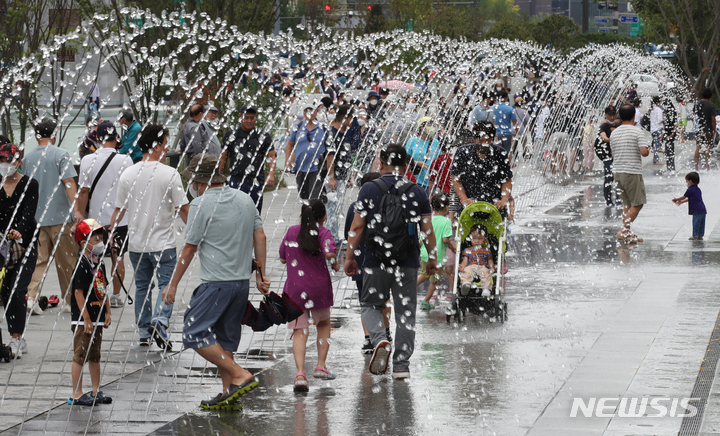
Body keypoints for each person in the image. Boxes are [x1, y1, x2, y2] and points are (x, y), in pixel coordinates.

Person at [162, 154, 269, 410]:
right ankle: (228, 394)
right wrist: (261, 274)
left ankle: (240, 375)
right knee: (224, 338)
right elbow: (261, 236)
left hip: (216, 283)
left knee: (193, 330)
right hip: (240, 284)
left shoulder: (200, 204)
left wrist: (173, 283)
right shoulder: (245, 198)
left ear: (199, 181)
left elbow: (189, 249)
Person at [345, 144, 438, 379]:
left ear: (381, 162)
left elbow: (357, 226)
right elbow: (426, 230)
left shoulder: (368, 189)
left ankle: (380, 340)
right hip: (407, 260)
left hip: (375, 260)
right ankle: (401, 365)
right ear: (406, 166)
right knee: (405, 312)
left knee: (370, 305)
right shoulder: (417, 192)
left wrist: (349, 256)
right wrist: (432, 259)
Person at [111, 124, 189, 349]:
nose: (166, 149)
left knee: (143, 286)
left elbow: (119, 210)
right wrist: (195, 230)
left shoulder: (128, 174)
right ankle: (160, 320)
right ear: (155, 146)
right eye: (164, 144)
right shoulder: (169, 174)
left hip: (137, 245)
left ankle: (144, 331)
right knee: (166, 283)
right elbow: (183, 209)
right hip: (164, 244)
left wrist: (110, 233)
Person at [280, 200, 340, 392]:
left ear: (302, 215)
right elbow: (330, 252)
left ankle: (300, 374)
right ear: (324, 217)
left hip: (295, 290)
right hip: (318, 289)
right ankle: (320, 366)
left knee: (300, 330)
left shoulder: (291, 231)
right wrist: (335, 262)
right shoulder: (323, 232)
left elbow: (282, 258)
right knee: (323, 325)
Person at [75, 121, 134, 308]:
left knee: (94, 258)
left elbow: (84, 191)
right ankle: (116, 296)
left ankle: (97, 294)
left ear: (98, 139)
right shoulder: (126, 160)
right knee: (118, 257)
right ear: (116, 138)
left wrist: (80, 214)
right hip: (119, 220)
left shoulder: (87, 160)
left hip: (95, 220)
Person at [22, 118, 78, 315]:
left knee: (37, 261)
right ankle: (71, 301)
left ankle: (30, 297)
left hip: (37, 218)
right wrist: (77, 210)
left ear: (37, 135)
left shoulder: (27, 158)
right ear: (54, 134)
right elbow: (69, 182)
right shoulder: (61, 154)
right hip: (62, 218)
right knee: (67, 262)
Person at [343, 172, 392, 354]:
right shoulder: (388, 203)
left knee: (366, 301)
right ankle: (386, 333)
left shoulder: (354, 208)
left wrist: (349, 257)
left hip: (361, 260)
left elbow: (351, 231)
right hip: (383, 260)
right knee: (384, 299)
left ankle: (369, 339)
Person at [0, 143, 38, 358]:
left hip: (25, 246)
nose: (6, 165)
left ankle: (16, 338)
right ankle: (15, 336)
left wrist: (19, 231)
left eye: (10, 161)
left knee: (17, 290)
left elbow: (28, 211)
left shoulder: (30, 184)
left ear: (19, 162)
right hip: (1, 248)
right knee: (5, 292)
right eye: (2, 161)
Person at [68, 219, 112, 406]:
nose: (100, 241)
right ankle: (77, 393)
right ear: (83, 243)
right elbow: (78, 293)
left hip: (97, 318)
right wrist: (85, 317)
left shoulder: (98, 263)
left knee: (95, 355)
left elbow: (103, 289)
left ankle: (95, 390)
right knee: (80, 354)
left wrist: (108, 312)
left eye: (101, 238)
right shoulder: (82, 264)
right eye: (95, 238)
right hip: (83, 320)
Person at [220, 105, 275, 213]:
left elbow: (272, 156)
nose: (249, 121)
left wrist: (271, 174)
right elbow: (222, 157)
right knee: (234, 214)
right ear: (240, 117)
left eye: (252, 118)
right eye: (246, 117)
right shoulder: (231, 134)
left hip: (255, 182)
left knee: (254, 215)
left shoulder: (262, 135)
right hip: (235, 181)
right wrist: (218, 177)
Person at [451, 121, 513, 218]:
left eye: (488, 140)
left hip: (495, 209)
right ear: (474, 138)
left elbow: (507, 180)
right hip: (469, 208)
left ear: (493, 138)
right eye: (480, 140)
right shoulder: (463, 153)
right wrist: (464, 199)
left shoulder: (500, 153)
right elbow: (456, 180)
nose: (484, 143)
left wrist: (504, 199)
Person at [610, 104, 650, 244]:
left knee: (627, 204)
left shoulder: (614, 132)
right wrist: (648, 149)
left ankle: (626, 233)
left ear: (620, 116)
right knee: (638, 204)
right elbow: (644, 152)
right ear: (634, 116)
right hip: (632, 172)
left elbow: (613, 154)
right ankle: (623, 230)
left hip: (618, 172)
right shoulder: (637, 132)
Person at [284, 97, 333, 201]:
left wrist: (330, 174)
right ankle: (307, 216)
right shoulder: (298, 127)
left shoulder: (323, 128)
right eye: (307, 111)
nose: (310, 113)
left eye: (312, 111)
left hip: (317, 168)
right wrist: (287, 161)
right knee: (303, 197)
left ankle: (314, 216)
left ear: (316, 113)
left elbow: (330, 150)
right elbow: (290, 145)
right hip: (300, 167)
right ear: (304, 113)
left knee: (314, 198)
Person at [325, 104, 360, 243]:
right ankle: (330, 238)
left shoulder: (342, 133)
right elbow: (330, 157)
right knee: (333, 209)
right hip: (336, 179)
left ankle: (334, 236)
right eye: (351, 118)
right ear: (345, 117)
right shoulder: (333, 134)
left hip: (341, 178)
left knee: (336, 208)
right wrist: (331, 178)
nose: (352, 121)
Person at [418, 193, 455, 310]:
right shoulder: (446, 222)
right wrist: (453, 248)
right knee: (434, 280)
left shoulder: (428, 220)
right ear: (447, 207)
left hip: (425, 253)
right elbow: (445, 239)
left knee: (425, 274)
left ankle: (407, 287)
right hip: (438, 256)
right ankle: (426, 301)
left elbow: (421, 239)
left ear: (432, 207)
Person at [405, 117, 440, 193]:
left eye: (433, 125)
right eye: (429, 125)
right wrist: (416, 162)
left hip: (431, 183)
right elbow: (404, 159)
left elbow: (440, 160)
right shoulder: (412, 141)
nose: (432, 127)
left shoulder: (436, 142)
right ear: (421, 127)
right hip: (415, 180)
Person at [458, 224, 494, 298]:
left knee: (486, 273)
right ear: (470, 238)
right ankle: (466, 284)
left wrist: (492, 268)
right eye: (474, 238)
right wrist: (462, 266)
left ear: (485, 239)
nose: (477, 241)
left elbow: (490, 261)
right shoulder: (467, 250)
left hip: (482, 266)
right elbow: (465, 261)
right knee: (466, 270)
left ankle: (486, 289)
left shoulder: (486, 250)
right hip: (471, 266)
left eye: (480, 238)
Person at [672, 172, 707, 241]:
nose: (686, 183)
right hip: (702, 209)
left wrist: (676, 199)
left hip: (697, 210)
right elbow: (690, 198)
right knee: (701, 223)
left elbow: (684, 197)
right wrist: (682, 202)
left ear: (690, 181)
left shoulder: (690, 189)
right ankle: (700, 235)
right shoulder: (698, 189)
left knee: (696, 223)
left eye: (687, 181)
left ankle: (695, 235)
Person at [597, 106, 621, 206]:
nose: (612, 116)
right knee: (608, 178)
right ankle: (608, 200)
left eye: (613, 114)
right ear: (606, 115)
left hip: (618, 156)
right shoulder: (604, 126)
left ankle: (619, 199)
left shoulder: (619, 125)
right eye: (609, 114)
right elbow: (604, 137)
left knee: (619, 178)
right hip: (608, 156)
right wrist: (611, 139)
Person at [694, 88, 717, 170]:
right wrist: (714, 130)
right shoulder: (711, 105)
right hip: (708, 128)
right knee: (708, 147)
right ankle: (708, 166)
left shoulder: (697, 104)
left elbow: (694, 116)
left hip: (699, 128)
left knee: (698, 146)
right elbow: (713, 119)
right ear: (710, 96)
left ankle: (696, 165)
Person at [492, 91, 517, 156]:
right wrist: (517, 133)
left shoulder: (493, 108)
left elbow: (491, 121)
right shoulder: (510, 108)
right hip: (507, 134)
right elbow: (514, 122)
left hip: (497, 134)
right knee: (506, 153)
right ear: (506, 98)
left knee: (497, 153)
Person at [663, 98, 678, 172]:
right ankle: (670, 168)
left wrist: (672, 134)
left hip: (670, 134)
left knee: (669, 151)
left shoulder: (672, 112)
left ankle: (671, 168)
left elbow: (676, 124)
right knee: (668, 151)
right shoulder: (669, 112)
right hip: (668, 134)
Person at [649, 96, 664, 165]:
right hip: (658, 129)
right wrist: (665, 120)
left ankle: (655, 160)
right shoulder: (658, 109)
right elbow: (660, 120)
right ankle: (656, 160)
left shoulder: (652, 109)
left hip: (653, 129)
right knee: (657, 145)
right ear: (658, 102)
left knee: (655, 145)